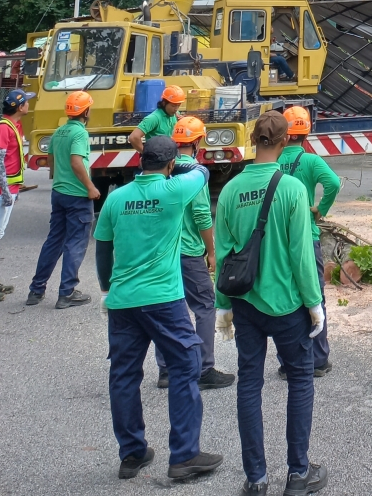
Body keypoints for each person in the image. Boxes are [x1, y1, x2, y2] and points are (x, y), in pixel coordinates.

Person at [94, 134, 223, 483]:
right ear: (169, 165)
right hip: (164, 300)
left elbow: (103, 250)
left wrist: (107, 288)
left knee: (123, 376)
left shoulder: (116, 199)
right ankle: (184, 456)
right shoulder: (174, 190)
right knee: (185, 365)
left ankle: (132, 453)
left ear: (139, 162)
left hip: (123, 301)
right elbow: (202, 171)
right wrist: (176, 164)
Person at [215, 110, 326, 496]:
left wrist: (223, 305)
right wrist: (314, 303)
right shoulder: (292, 188)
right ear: (283, 142)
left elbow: (224, 255)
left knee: (249, 385)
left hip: (245, 304)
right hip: (288, 306)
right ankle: (298, 474)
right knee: (299, 381)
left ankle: (256, 479)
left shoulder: (230, 190)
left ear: (253, 140)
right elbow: (300, 255)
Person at [153, 116, 235, 391]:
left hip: (163, 253)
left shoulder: (163, 169)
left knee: (165, 307)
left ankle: (165, 370)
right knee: (204, 307)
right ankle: (203, 369)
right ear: (198, 142)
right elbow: (201, 215)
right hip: (188, 253)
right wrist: (212, 251)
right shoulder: (195, 174)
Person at [277, 105, 341, 378]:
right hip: (307, 237)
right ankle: (318, 360)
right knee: (315, 295)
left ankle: (288, 361)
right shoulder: (312, 161)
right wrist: (320, 209)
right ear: (307, 132)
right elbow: (334, 183)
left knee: (284, 297)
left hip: (278, 240)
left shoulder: (272, 162)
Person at [27, 89, 100, 309]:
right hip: (77, 196)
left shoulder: (59, 131)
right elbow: (76, 161)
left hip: (58, 194)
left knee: (54, 241)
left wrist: (58, 177)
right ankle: (66, 293)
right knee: (75, 244)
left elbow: (51, 159)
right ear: (85, 111)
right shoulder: (79, 133)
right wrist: (90, 187)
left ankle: (36, 290)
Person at [0, 88, 34, 293]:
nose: (29, 104)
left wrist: (14, 190)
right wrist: (5, 191)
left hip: (8, 189)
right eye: (27, 102)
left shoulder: (13, 125)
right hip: (1, 191)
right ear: (20, 107)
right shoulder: (4, 128)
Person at [128, 84, 186, 153]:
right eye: (173, 106)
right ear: (164, 103)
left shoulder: (175, 114)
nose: (176, 109)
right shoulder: (154, 118)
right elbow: (133, 137)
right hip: (156, 160)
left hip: (169, 156)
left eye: (178, 106)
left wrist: (182, 122)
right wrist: (146, 154)